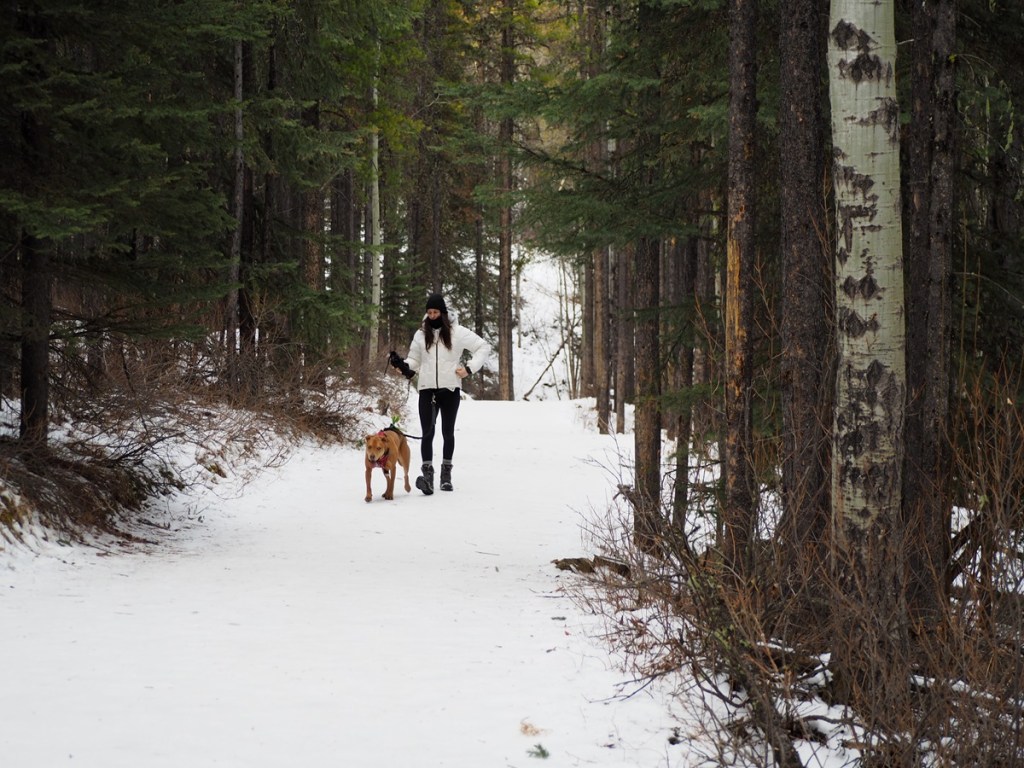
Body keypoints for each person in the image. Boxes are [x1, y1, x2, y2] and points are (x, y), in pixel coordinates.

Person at [388, 293, 491, 494]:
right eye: (429, 312)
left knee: (447, 432)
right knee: (428, 433)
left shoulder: (457, 332)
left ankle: (446, 476)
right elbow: (414, 361)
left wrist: (469, 368)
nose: (432, 316)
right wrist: (401, 364)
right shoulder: (420, 334)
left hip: (450, 389)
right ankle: (427, 476)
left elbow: (483, 346)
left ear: (443, 313)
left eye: (435, 312)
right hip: (427, 389)